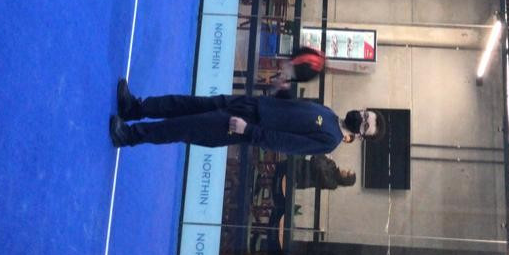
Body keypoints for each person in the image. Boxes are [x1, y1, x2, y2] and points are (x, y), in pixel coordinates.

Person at [109, 79, 386, 154]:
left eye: (365, 124)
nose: (361, 117)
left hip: (244, 125)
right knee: (186, 105)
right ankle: (136, 109)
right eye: (366, 114)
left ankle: (128, 136)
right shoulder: (329, 112)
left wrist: (247, 131)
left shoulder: (330, 140)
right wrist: (281, 90)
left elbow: (285, 142)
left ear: (361, 136)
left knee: (185, 127)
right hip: (249, 105)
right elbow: (289, 111)